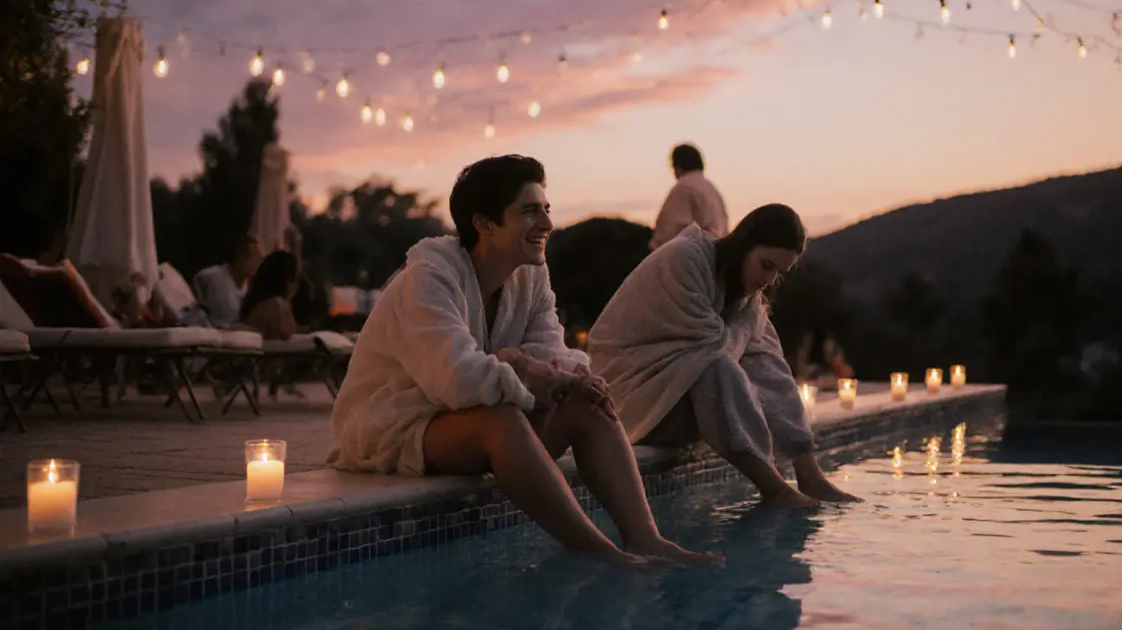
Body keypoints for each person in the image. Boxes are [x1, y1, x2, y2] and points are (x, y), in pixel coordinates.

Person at [328, 155, 718, 566]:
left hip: (471, 422)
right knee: (503, 420)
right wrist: (531, 372)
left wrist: (561, 376)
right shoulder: (429, 278)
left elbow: (552, 352)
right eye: (530, 212)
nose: (547, 224)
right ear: (483, 223)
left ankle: (645, 538)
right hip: (397, 426)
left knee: (587, 401)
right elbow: (458, 380)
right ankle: (597, 552)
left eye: (546, 210)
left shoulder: (529, 277)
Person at [588, 205, 862, 508]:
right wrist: (747, 326)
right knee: (716, 366)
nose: (769, 280)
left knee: (764, 359)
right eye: (766, 265)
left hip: (673, 398)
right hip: (629, 404)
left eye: (778, 273)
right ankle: (772, 487)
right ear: (744, 244)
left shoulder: (742, 292)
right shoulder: (685, 260)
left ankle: (810, 474)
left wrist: (748, 326)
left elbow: (767, 359)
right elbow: (715, 352)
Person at [649, 143, 729, 250]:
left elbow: (667, 231)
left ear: (677, 166)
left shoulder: (683, 186)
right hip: (714, 255)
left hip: (689, 256)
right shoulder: (712, 189)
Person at [193, 236, 262, 328]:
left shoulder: (250, 286)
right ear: (240, 256)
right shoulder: (214, 277)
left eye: (258, 259)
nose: (257, 263)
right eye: (254, 258)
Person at [239, 250, 301, 340]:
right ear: (287, 280)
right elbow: (290, 336)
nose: (296, 286)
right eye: (296, 279)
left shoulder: (256, 304)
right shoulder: (278, 305)